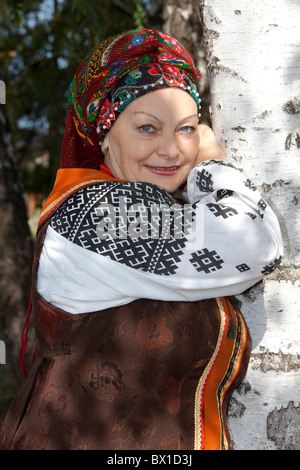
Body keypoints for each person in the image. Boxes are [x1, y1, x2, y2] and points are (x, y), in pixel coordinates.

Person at [0, 28, 283, 451]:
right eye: (148, 128)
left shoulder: (155, 211)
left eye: (187, 130)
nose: (171, 150)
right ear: (104, 134)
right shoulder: (91, 215)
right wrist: (209, 165)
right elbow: (251, 244)